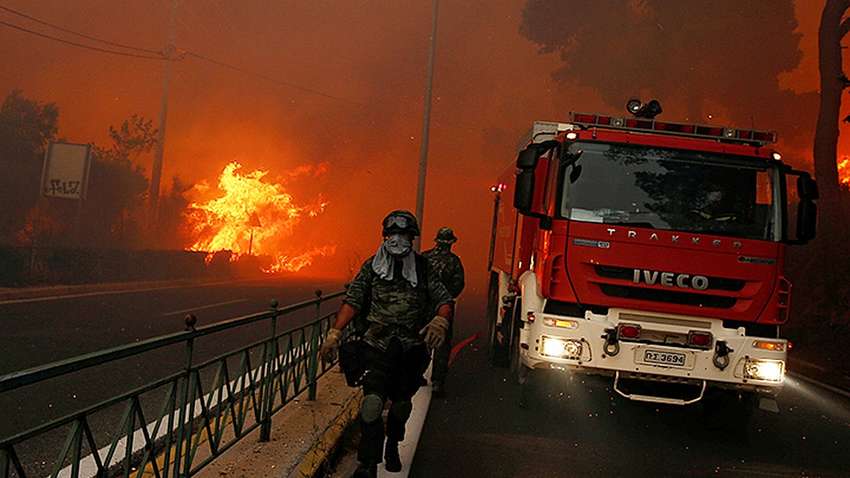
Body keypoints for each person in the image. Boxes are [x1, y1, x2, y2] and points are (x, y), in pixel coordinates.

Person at [320, 210, 453, 478]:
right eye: (393, 234)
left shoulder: (424, 268)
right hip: (376, 345)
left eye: (403, 235)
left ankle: (393, 442)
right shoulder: (372, 267)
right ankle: (368, 464)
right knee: (371, 404)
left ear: (412, 238)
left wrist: (441, 321)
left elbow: (445, 301)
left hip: (410, 348)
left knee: (401, 405)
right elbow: (353, 301)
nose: (397, 239)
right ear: (384, 236)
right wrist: (335, 332)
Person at [422, 227, 465, 397]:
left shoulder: (424, 258)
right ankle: (437, 382)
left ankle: (417, 375)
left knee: (420, 340)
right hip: (444, 307)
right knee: (442, 344)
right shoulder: (454, 261)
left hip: (423, 306)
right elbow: (459, 284)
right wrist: (446, 297)